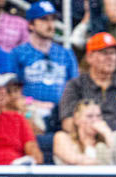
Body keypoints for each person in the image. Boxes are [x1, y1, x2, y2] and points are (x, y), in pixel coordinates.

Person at [11, 1, 78, 130]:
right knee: (28, 113)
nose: (50, 25)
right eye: (44, 20)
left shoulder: (65, 54)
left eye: (52, 19)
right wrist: (33, 102)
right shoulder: (18, 53)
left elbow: (74, 87)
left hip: (62, 111)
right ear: (31, 24)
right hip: (31, 108)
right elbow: (13, 94)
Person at [59, 32, 116, 132]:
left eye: (113, 53)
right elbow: (67, 122)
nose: (110, 58)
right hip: (89, 139)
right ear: (89, 57)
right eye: (104, 53)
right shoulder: (76, 85)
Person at [53, 99, 116, 165]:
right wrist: (103, 161)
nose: (95, 120)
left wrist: (107, 133)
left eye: (98, 116)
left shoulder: (104, 141)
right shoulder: (62, 137)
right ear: (76, 119)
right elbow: (72, 159)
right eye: (89, 116)